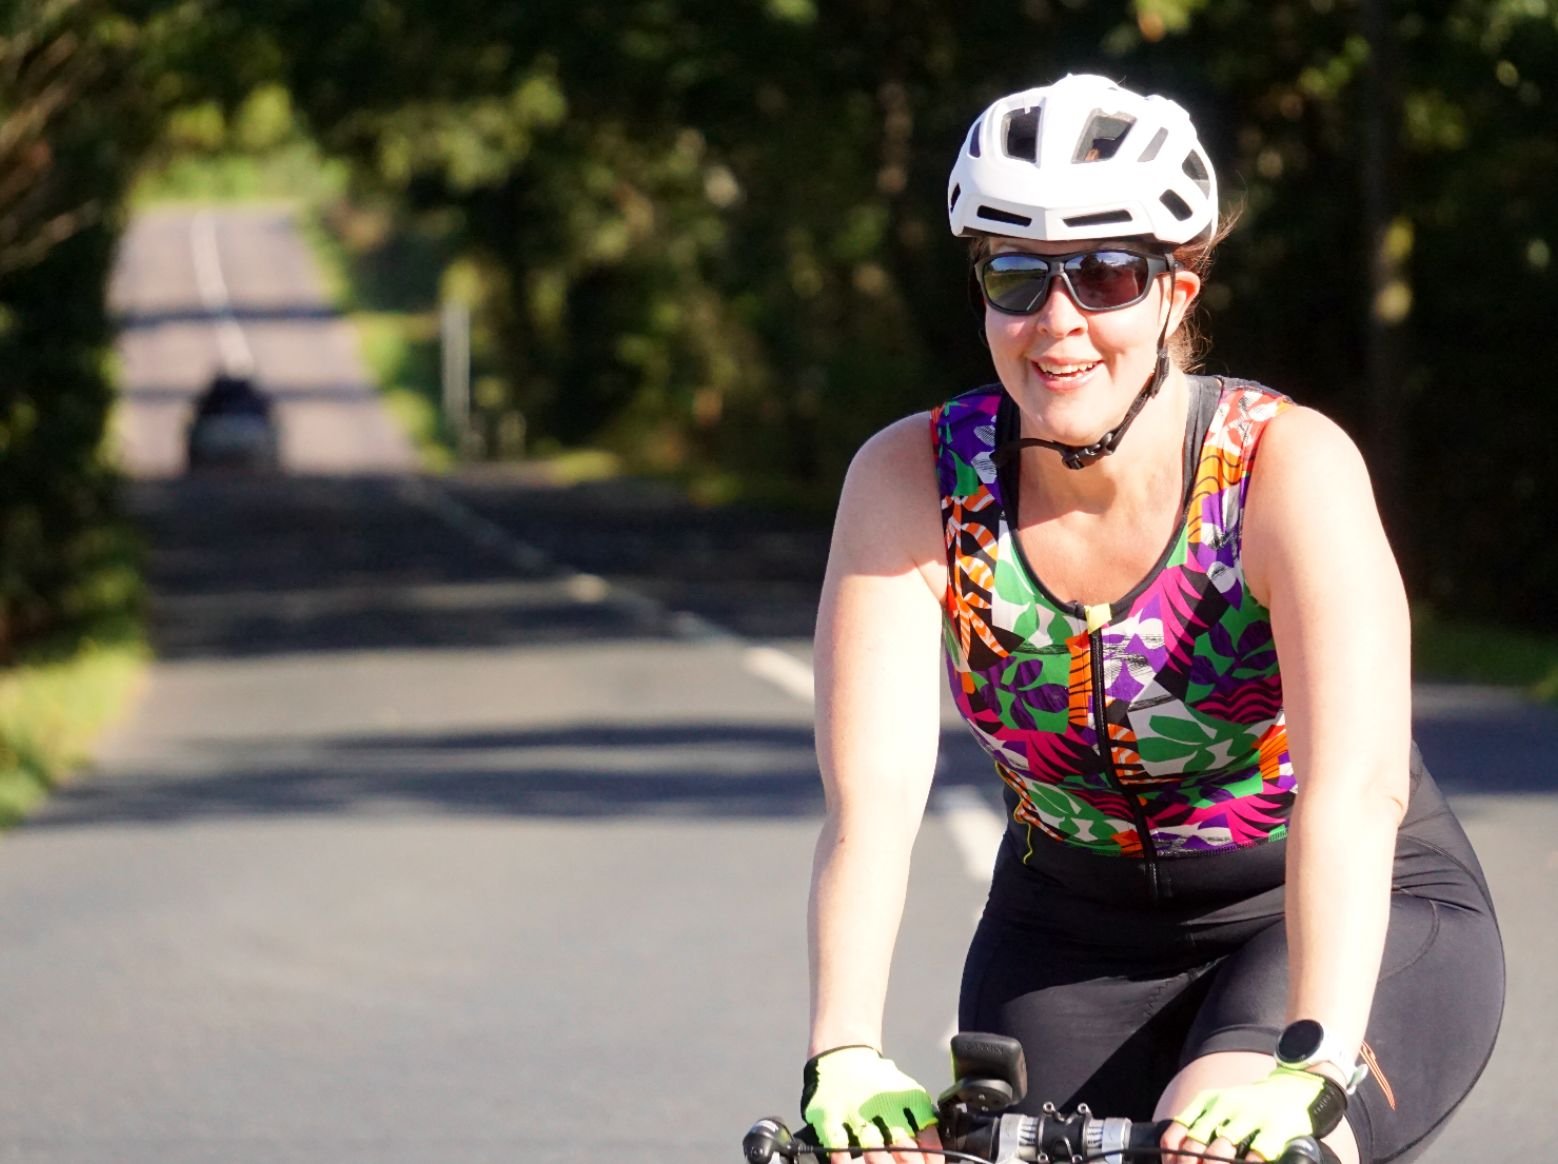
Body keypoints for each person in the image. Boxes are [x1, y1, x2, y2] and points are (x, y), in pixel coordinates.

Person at [801, 74, 1503, 1164]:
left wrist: (1311, 1060)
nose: (1057, 324)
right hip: (1066, 937)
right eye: (1016, 276)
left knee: (1215, 1146)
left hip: (1313, 910)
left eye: (1105, 274)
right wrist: (841, 1050)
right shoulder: (911, 480)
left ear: (1179, 286)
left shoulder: (1281, 468)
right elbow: (870, 806)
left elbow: (1356, 790)